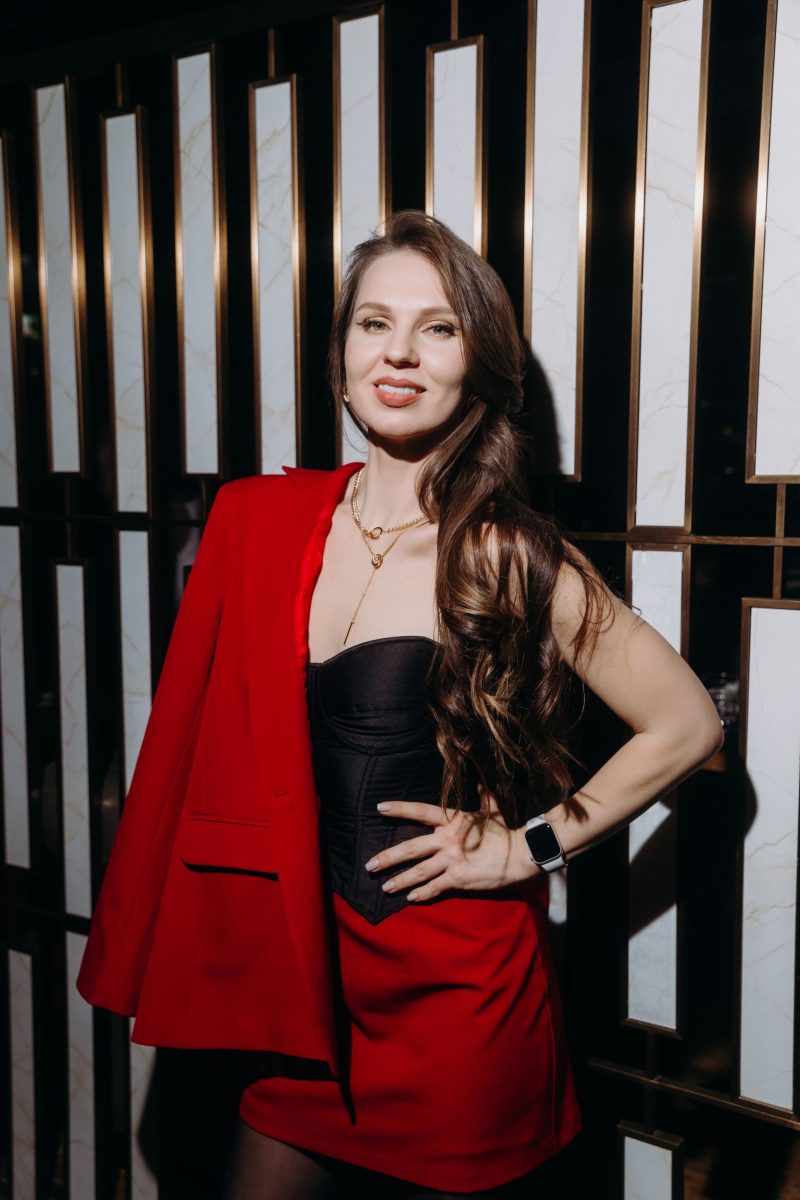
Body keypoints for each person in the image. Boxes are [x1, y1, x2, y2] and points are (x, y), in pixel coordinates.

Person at [78, 211, 724, 1200]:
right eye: (374, 323)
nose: (400, 353)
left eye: (438, 328)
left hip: (454, 1003)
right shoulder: (258, 522)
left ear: (477, 365)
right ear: (340, 361)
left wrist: (527, 848)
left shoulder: (508, 551)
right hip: (300, 993)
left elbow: (685, 723)